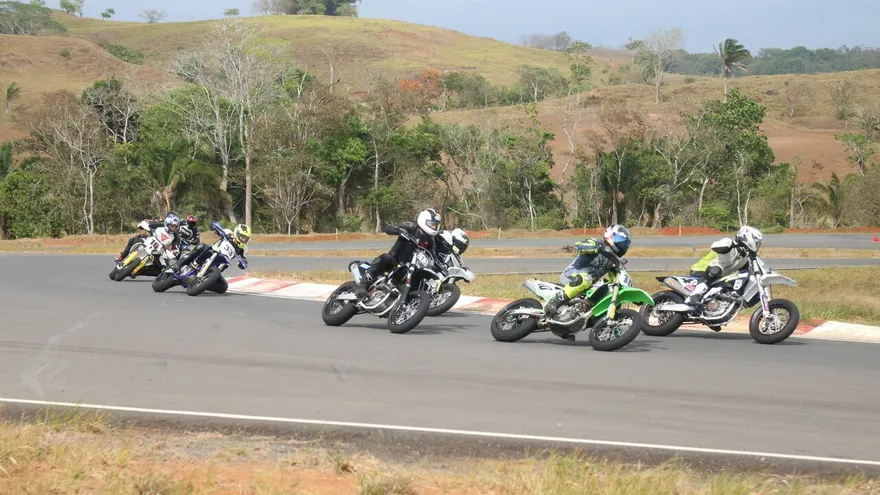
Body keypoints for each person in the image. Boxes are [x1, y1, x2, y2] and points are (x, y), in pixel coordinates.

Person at [543, 224, 632, 318]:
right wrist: (593, 248)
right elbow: (579, 246)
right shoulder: (596, 243)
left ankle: (584, 308)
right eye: (621, 241)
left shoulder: (613, 261)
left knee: (607, 286)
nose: (623, 245)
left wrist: (631, 295)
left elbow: (617, 282)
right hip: (572, 275)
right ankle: (555, 301)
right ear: (611, 235)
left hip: (588, 285)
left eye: (625, 243)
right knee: (586, 278)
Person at [354, 208, 441, 299]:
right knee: (386, 258)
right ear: (424, 220)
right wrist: (397, 230)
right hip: (395, 259)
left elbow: (433, 255)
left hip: (410, 266)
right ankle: (363, 285)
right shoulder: (411, 226)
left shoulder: (431, 240)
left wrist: (437, 266)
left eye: (435, 225)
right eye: (432, 224)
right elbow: (388, 228)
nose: (434, 227)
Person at [684, 225, 763, 306]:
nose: (756, 245)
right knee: (716, 270)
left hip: (719, 276)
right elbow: (715, 245)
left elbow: (745, 273)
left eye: (757, 243)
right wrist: (729, 244)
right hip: (702, 269)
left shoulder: (744, 258)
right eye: (755, 242)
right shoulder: (729, 244)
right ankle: (694, 295)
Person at [168, 223, 250, 274]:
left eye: (246, 238)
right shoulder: (229, 233)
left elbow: (243, 263)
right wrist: (216, 227)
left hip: (220, 263)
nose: (244, 240)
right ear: (237, 233)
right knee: (202, 246)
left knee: (223, 287)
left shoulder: (241, 249)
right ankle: (177, 265)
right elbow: (215, 228)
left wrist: (243, 263)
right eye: (243, 237)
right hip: (213, 251)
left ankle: (208, 280)